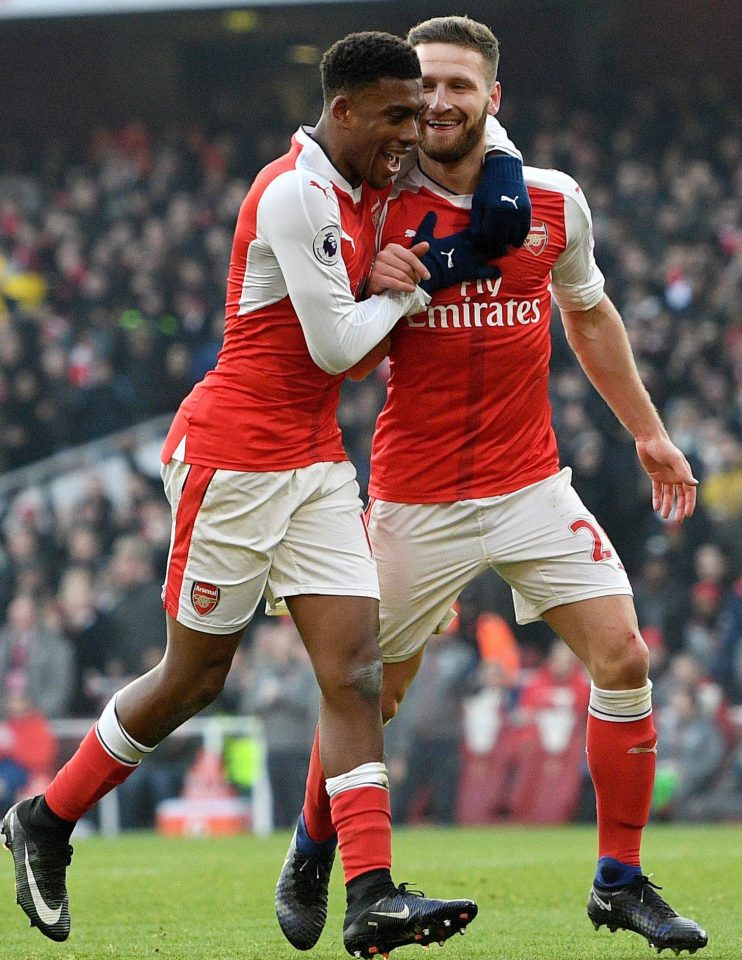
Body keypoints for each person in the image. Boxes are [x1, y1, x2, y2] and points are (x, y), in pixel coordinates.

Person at [1, 30, 523, 957]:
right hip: (233, 460)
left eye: (418, 114)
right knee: (194, 680)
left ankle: (368, 893)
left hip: (316, 460)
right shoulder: (298, 193)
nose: (412, 133)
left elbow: (485, 166)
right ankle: (46, 816)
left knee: (354, 670)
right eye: (397, 115)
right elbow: (336, 349)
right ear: (347, 109)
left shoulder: (371, 179)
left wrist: (491, 157)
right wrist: (404, 293)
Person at [275, 16, 708, 956]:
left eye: (459, 87)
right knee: (369, 693)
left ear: (492, 100)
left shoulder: (552, 202)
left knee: (626, 659)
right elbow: (340, 355)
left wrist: (650, 435)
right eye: (425, 85)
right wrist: (378, 287)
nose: (438, 102)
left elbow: (589, 317)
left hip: (529, 488)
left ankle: (619, 882)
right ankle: (314, 849)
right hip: (413, 499)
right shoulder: (373, 210)